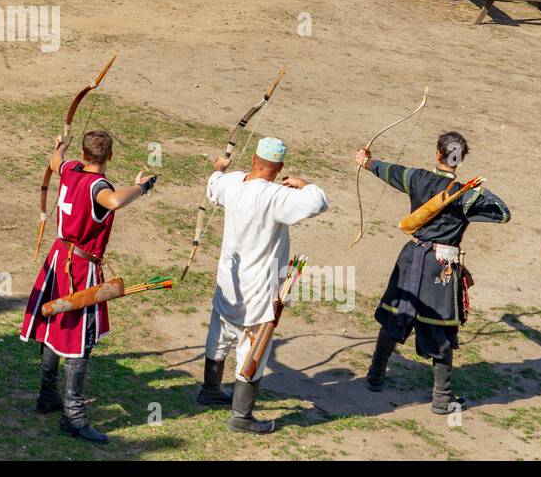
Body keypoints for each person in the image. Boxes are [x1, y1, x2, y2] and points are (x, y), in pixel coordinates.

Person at [20, 129, 156, 444]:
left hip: (59, 259)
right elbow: (115, 201)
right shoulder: (99, 186)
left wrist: (60, 145)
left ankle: (47, 395)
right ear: (109, 156)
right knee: (80, 340)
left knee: (55, 327)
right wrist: (140, 186)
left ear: (83, 154)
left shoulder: (70, 169)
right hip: (78, 268)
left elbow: (55, 161)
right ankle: (73, 417)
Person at [359, 131, 510, 414]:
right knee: (437, 328)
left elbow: (387, 170)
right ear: (460, 159)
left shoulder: (416, 178)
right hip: (441, 266)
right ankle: (441, 399)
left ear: (438, 154)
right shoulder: (465, 195)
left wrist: (367, 162)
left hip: (412, 257)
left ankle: (375, 376)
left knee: (396, 316)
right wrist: (473, 189)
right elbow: (502, 212)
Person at [193, 137, 328, 433]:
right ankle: (241, 416)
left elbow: (214, 185)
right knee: (254, 346)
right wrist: (303, 183)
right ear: (279, 167)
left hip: (230, 280)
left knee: (220, 332)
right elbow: (319, 202)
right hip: (258, 287)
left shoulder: (231, 183)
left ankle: (210, 389)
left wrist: (218, 168)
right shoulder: (276, 196)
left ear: (253, 159)